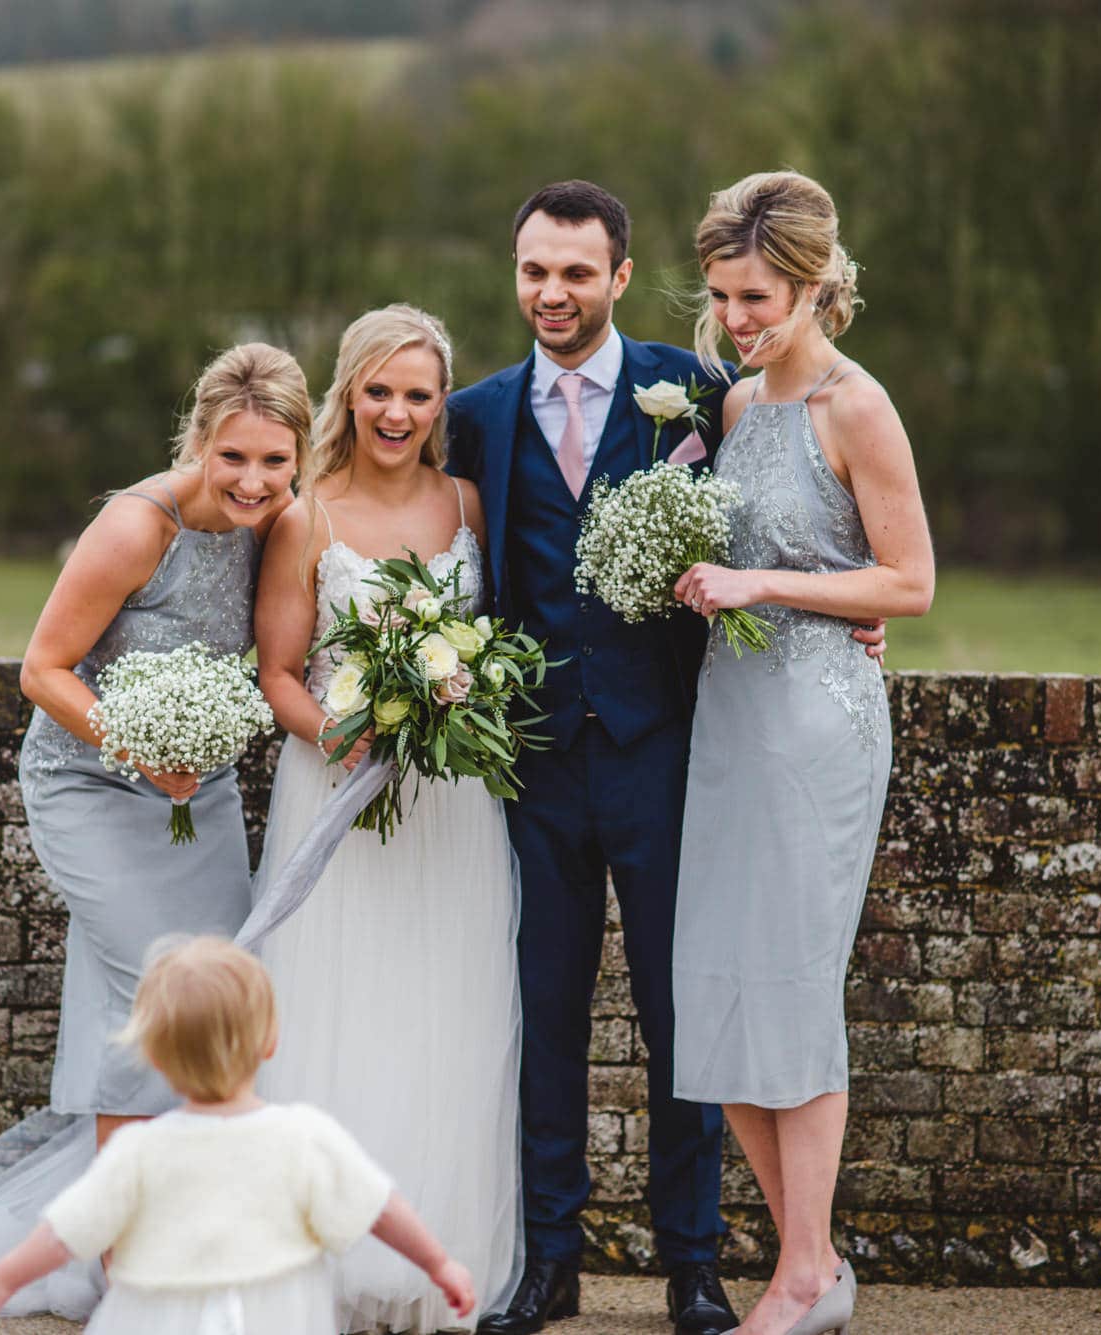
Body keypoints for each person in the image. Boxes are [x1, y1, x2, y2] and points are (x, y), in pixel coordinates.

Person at [444, 181, 886, 1335]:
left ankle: (694, 1266)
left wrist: (850, 605)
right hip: (531, 762)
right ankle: (551, 1262)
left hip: (672, 752)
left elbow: (779, 528)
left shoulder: (700, 395)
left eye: (575, 272)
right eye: (534, 271)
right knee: (544, 1013)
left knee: (681, 1013)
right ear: (515, 272)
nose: (552, 292)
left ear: (619, 277)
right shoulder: (475, 415)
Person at [0, 343, 311, 1319]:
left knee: (201, 983)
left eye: (274, 461)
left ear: (298, 457)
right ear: (199, 444)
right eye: (233, 459)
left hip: (197, 796)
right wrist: (138, 751)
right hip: (89, 786)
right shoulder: (138, 526)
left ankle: (141, 1250)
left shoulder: (279, 524)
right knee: (159, 991)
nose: (253, 482)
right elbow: (42, 669)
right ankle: (138, 1262)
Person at [670, 170, 933, 1335]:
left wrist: (770, 583)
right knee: (713, 993)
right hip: (726, 723)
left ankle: (800, 1274)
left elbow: (909, 583)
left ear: (818, 284)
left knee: (786, 988)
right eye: (723, 296)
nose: (735, 319)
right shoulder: (726, 409)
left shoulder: (855, 406)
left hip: (815, 730)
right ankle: (811, 1266)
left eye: (756, 296)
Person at [252, 304, 522, 1331]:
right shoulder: (303, 515)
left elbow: (498, 639)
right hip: (337, 797)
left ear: (440, 401)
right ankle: (320, 1260)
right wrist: (334, 730)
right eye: (378, 391)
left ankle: (436, 1260)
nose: (396, 411)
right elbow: (275, 670)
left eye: (416, 393)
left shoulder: (469, 504)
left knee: (447, 1019)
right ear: (347, 395)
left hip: (452, 809)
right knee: (335, 1015)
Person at [0, 936, 478, 1334]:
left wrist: (1, 1277)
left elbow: (66, 1231)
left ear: (154, 1056)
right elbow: (379, 1207)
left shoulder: (138, 1149)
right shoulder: (304, 1136)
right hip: (276, 1317)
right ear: (270, 1041)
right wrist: (439, 1263)